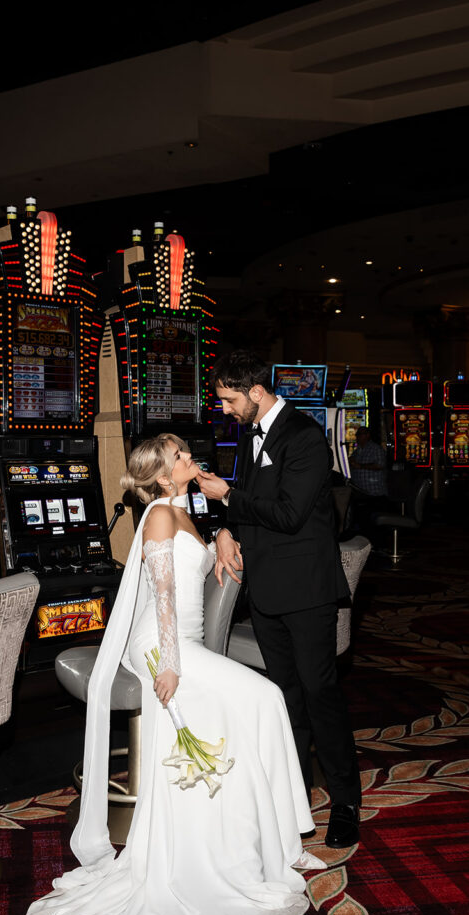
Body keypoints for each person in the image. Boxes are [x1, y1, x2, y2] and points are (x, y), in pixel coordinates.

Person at [22, 433, 324, 915]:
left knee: (259, 704)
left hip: (184, 641)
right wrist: (168, 663)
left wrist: (226, 532)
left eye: (186, 450)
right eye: (181, 456)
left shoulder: (186, 508)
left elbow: (202, 555)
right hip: (163, 646)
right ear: (163, 477)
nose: (190, 457)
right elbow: (161, 592)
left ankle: (273, 840)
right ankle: (273, 841)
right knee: (267, 696)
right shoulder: (161, 514)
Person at [197, 350, 362, 849]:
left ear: (254, 392)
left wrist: (226, 497)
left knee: (319, 694)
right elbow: (250, 501)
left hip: (307, 590)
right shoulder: (250, 435)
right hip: (266, 588)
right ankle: (294, 795)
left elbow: (289, 514)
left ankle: (346, 801)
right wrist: (226, 529)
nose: (225, 410)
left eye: (229, 400)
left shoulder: (307, 436)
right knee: (285, 698)